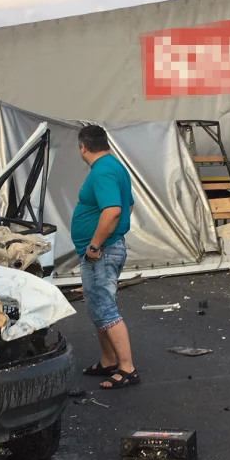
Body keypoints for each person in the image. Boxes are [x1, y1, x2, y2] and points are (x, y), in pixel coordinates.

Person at [72, 125, 138, 390]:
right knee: (98, 306)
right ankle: (108, 361)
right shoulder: (115, 166)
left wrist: (96, 245)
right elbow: (129, 205)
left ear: (83, 147)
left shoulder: (102, 171)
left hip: (103, 252)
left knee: (105, 308)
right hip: (110, 247)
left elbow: (112, 210)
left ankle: (127, 368)